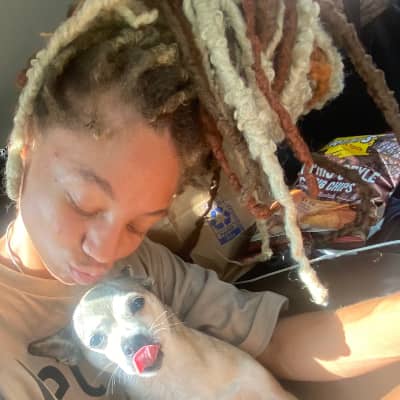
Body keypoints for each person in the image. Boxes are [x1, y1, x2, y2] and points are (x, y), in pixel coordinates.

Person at [0, 0, 399, 399]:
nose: (104, 253)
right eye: (83, 203)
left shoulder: (141, 265)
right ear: (28, 143)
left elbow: (276, 343)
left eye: (138, 225)